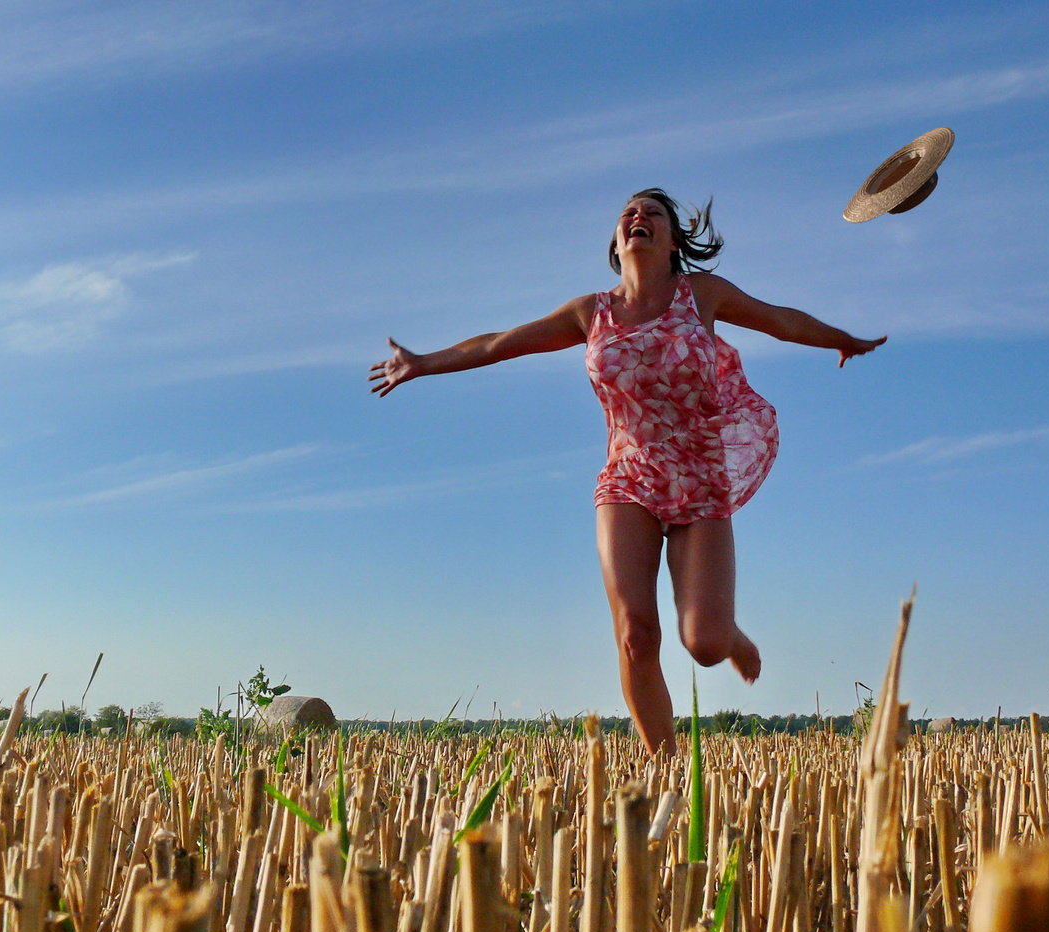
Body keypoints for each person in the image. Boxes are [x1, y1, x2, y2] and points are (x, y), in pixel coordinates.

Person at [369, 189, 885, 754]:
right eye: (628, 214)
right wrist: (421, 362)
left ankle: (729, 636)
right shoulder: (590, 313)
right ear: (618, 242)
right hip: (628, 479)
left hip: (698, 476)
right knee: (637, 635)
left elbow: (777, 319)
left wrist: (840, 338)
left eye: (652, 213)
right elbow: (498, 344)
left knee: (704, 642)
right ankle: (664, 769)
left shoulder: (702, 295)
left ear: (671, 241)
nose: (638, 218)